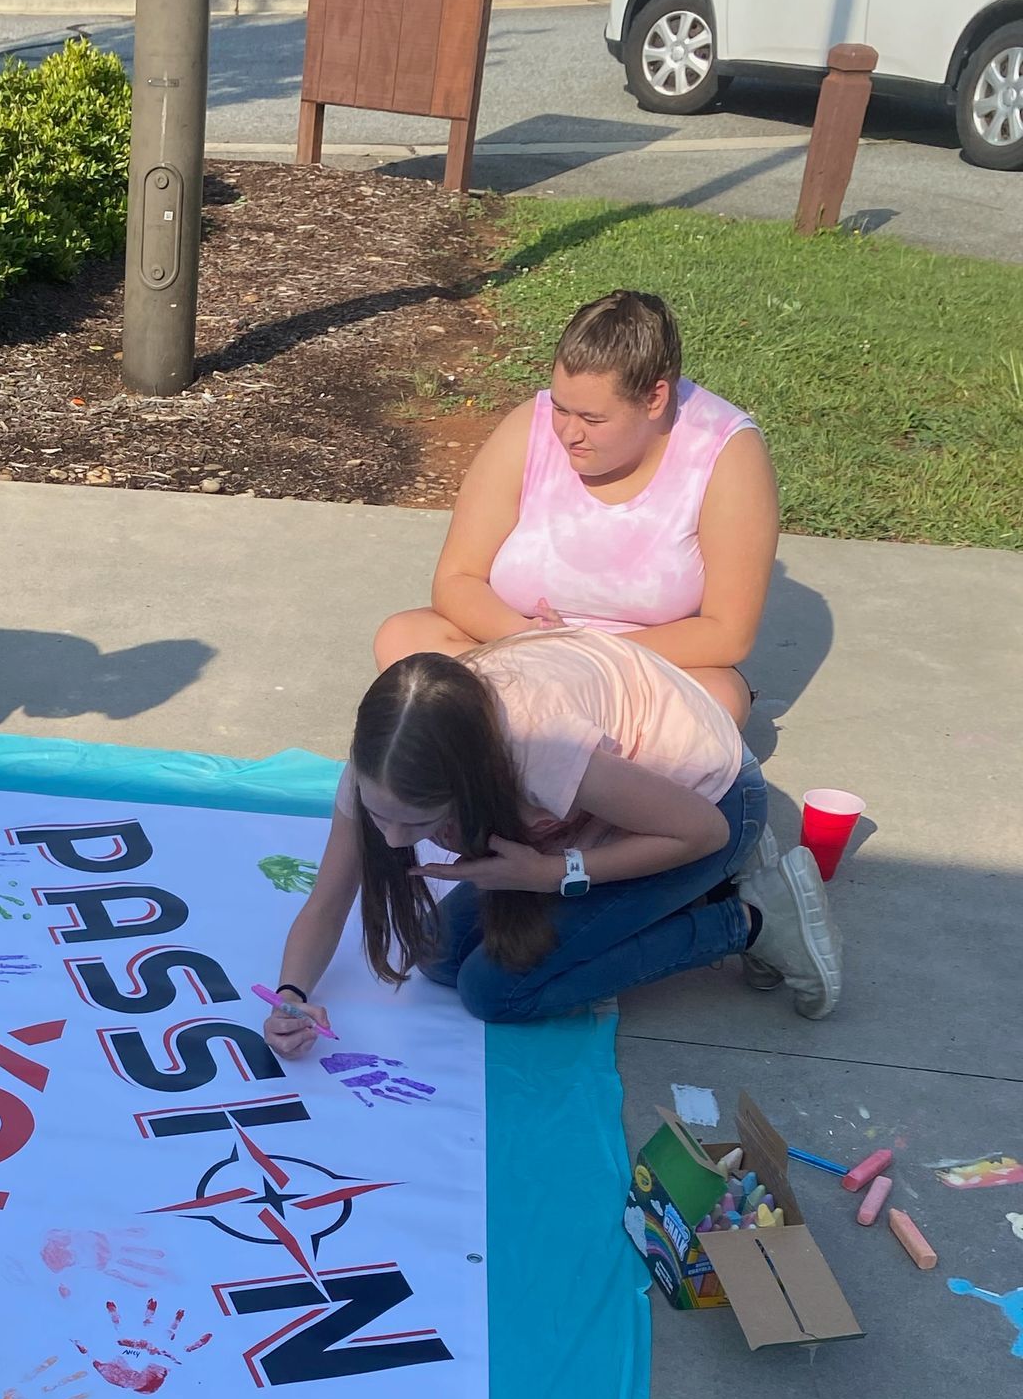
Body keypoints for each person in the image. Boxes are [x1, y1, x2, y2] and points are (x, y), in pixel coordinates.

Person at [264, 628, 841, 1038]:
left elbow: (702, 831)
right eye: (378, 814)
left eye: (418, 823)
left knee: (495, 992)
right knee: (438, 958)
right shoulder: (385, 761)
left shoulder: (537, 750)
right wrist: (290, 997)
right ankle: (698, 892)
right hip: (615, 812)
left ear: (470, 781)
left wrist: (549, 873)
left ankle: (745, 918)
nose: (393, 840)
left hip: (714, 806)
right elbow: (328, 900)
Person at [375, 292, 777, 728]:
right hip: (522, 649)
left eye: (593, 419)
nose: (569, 433)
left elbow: (727, 633)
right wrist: (525, 637)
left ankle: (510, 736)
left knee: (716, 700)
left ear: (655, 398)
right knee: (404, 638)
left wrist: (587, 652)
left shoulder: (726, 452)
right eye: (560, 408)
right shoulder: (526, 427)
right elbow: (457, 579)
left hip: (640, 666)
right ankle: (560, 743)